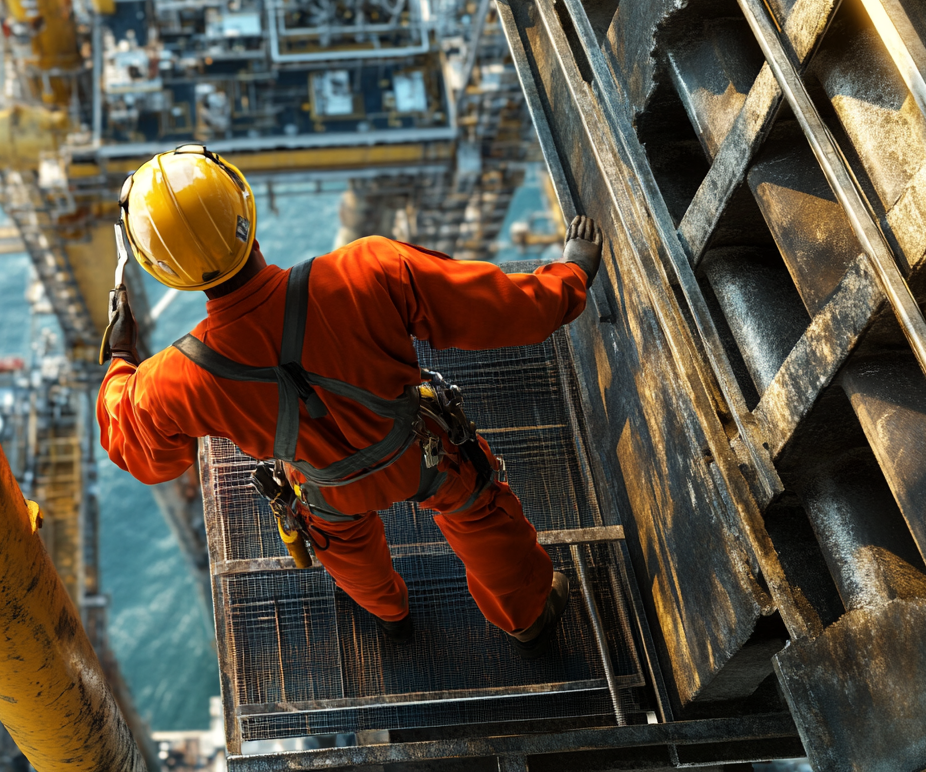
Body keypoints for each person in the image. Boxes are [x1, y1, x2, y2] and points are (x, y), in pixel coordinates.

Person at [97, 144, 603, 658]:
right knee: (480, 512)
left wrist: (120, 357)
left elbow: (139, 450)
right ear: (244, 210)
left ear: (165, 271)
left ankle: (392, 617)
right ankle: (527, 617)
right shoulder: (368, 270)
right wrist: (573, 275)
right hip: (420, 451)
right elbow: (508, 309)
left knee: (348, 556)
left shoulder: (174, 380)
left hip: (326, 489)